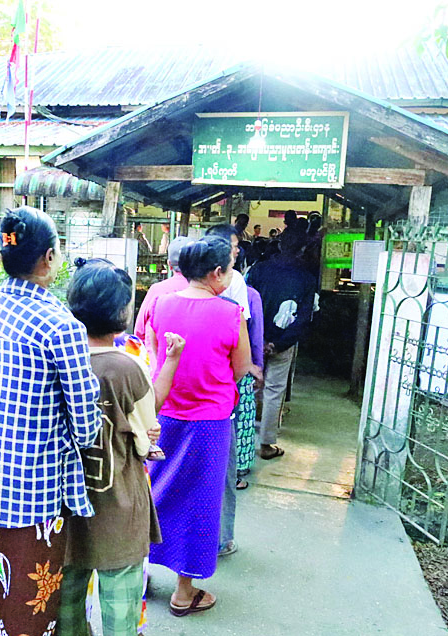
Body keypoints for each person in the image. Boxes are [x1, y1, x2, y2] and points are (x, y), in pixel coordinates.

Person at [0, 206, 101, 636]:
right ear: (49, 257)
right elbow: (85, 423)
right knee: (32, 598)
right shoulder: (60, 326)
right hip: (33, 491)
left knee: (2, 578)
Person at [57, 259, 185, 636]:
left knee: (67, 603)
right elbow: (147, 425)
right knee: (121, 611)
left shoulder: (59, 359)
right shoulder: (126, 367)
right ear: (121, 313)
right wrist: (171, 360)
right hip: (119, 505)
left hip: (66, 505)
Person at [144, 236, 259, 617]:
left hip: (164, 415)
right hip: (209, 422)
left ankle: (140, 573)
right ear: (216, 272)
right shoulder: (230, 313)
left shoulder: (161, 304)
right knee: (200, 501)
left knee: (155, 491)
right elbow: (241, 368)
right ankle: (183, 592)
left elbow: (155, 356)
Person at [204, 225, 263, 555]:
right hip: (216, 402)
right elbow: (240, 359)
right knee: (221, 474)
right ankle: (221, 539)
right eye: (234, 246)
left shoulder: (165, 296)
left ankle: (165, 542)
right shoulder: (234, 285)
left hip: (173, 405)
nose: (238, 251)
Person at [248, 230, 318, 461]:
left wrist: (256, 340)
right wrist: (278, 344)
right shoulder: (306, 277)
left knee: (248, 387)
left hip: (253, 340)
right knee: (274, 391)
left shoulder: (259, 269)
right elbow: (304, 317)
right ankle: (266, 443)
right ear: (302, 249)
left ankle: (242, 441)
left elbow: (246, 306)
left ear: (279, 245)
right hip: (283, 342)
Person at [133, 236, 192, 347]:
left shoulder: (156, 290)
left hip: (156, 355)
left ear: (169, 265)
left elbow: (139, 331)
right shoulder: (203, 291)